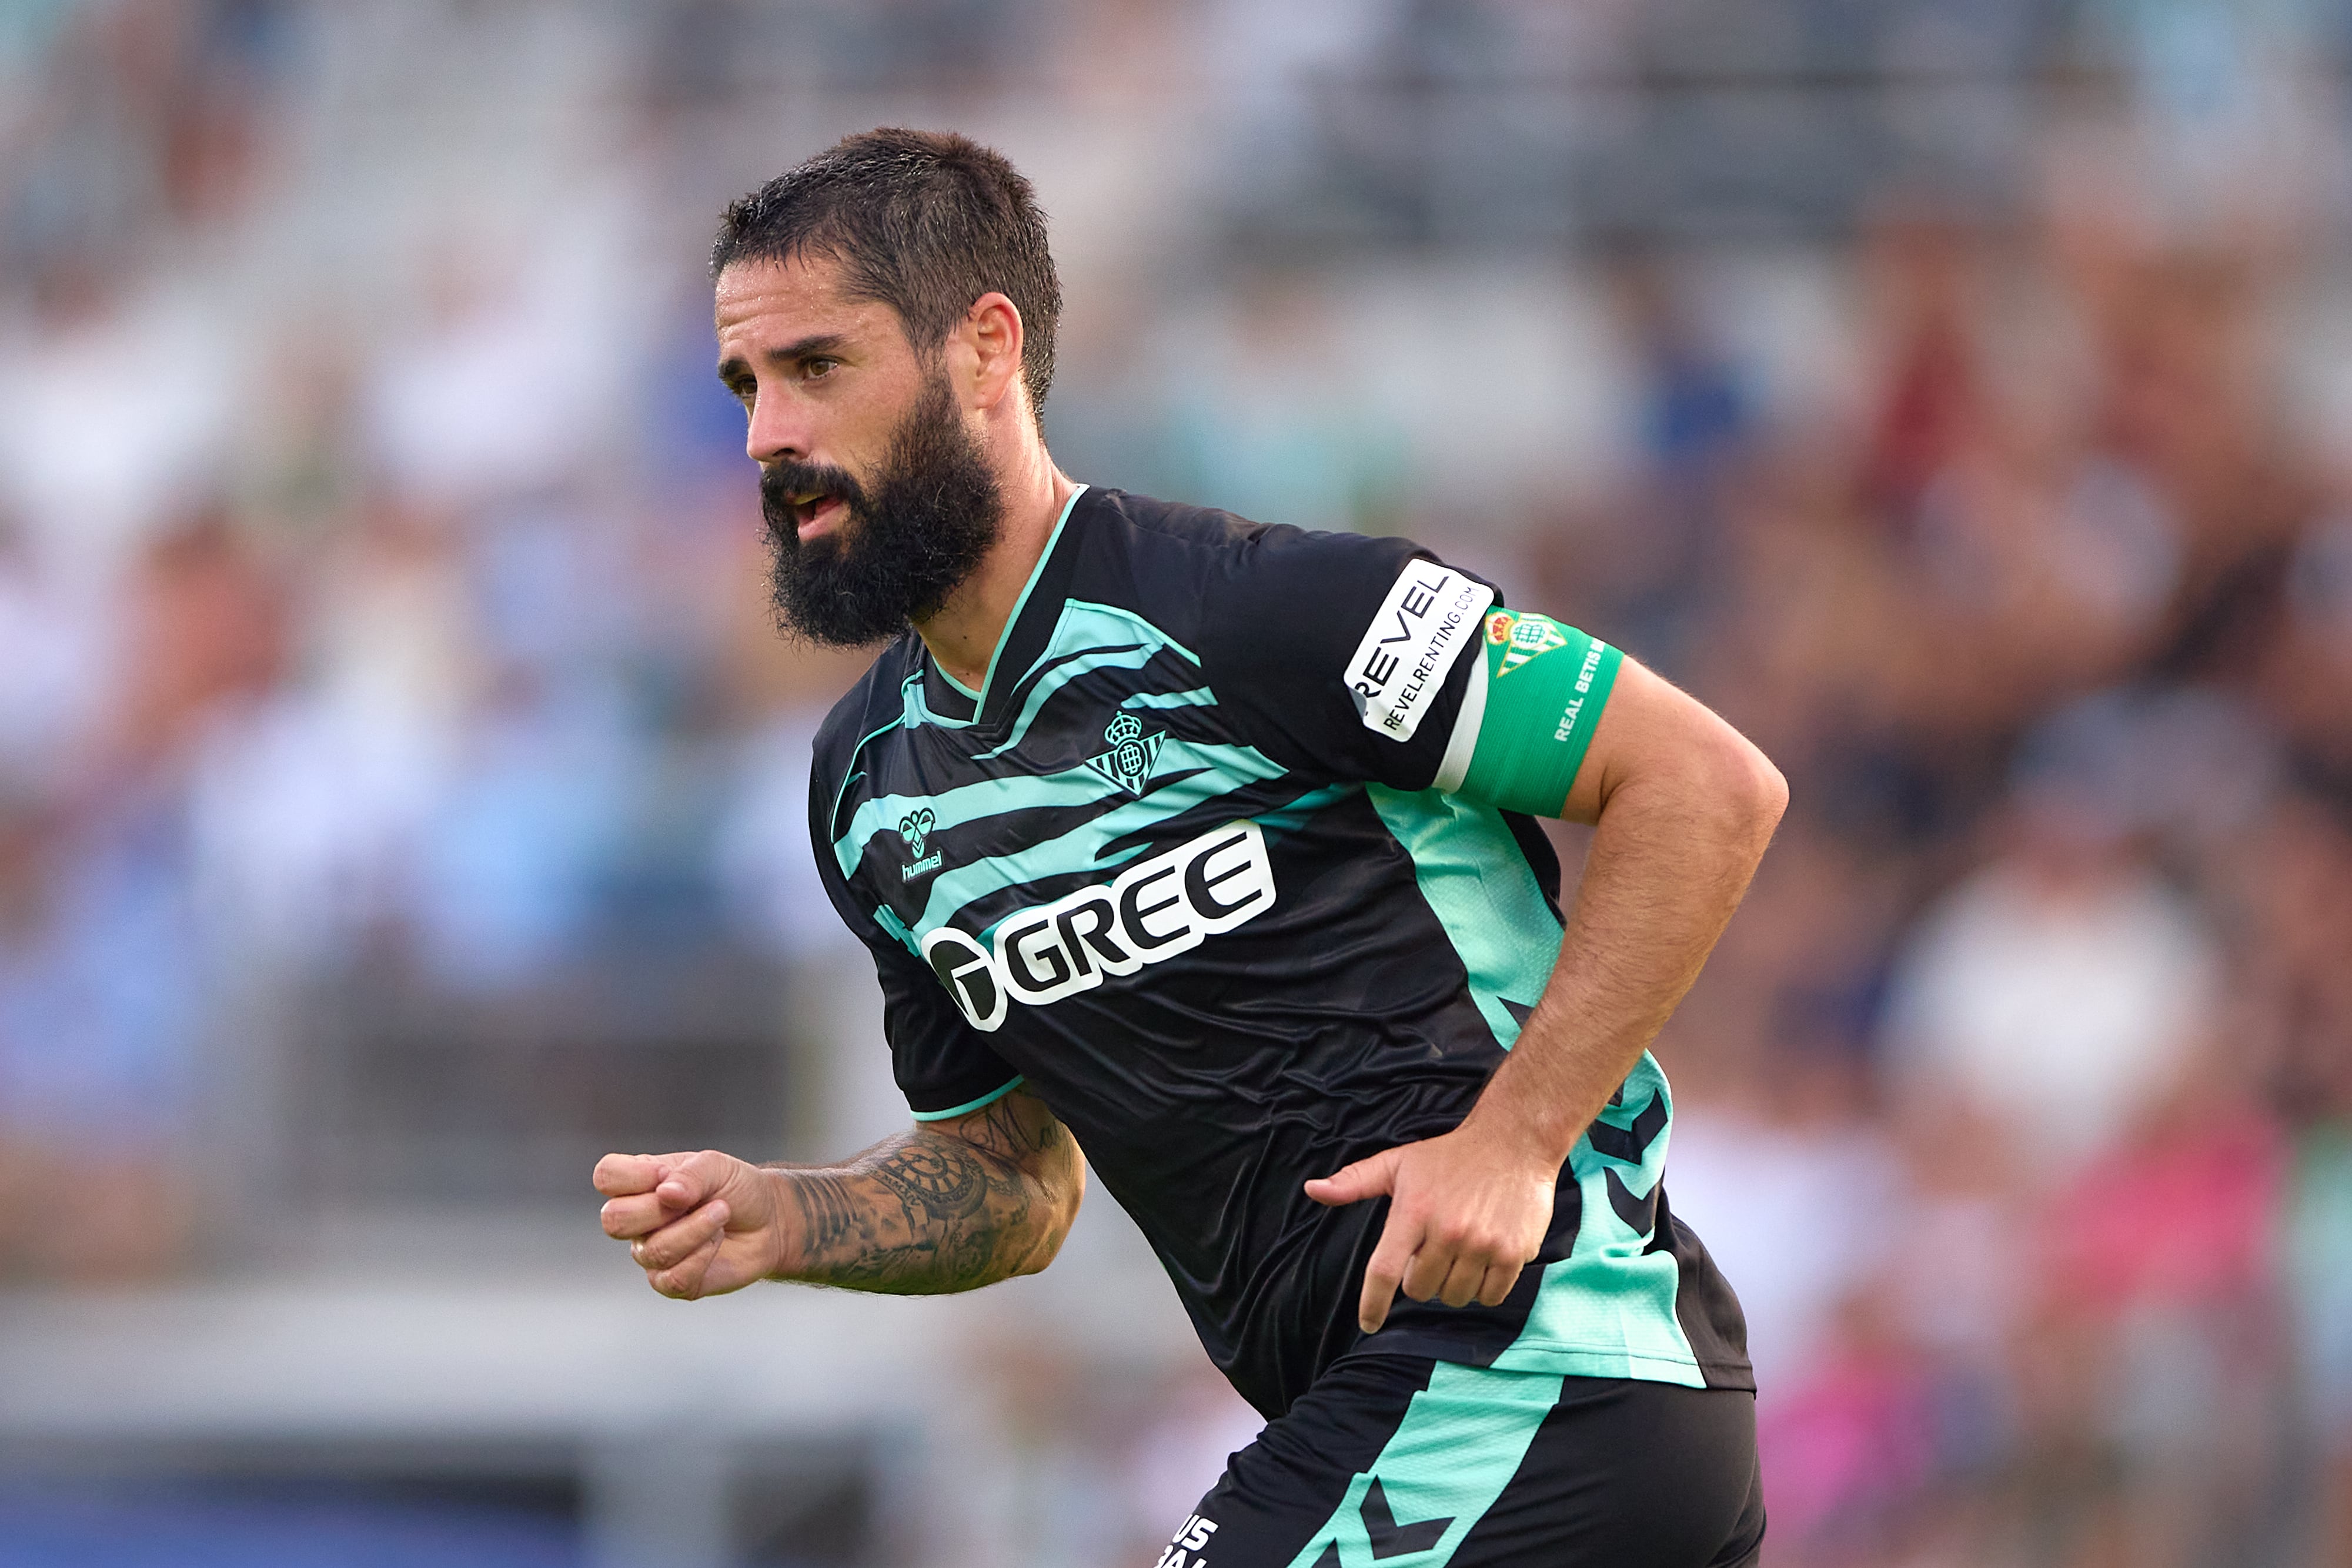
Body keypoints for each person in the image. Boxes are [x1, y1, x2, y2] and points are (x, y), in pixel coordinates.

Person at [594, 128, 1785, 1567]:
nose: (766, 435)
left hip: (1540, 1362)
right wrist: (791, 1217)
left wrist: (1516, 1139)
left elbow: (1702, 784)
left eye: (817, 367)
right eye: (745, 383)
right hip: (1390, 1413)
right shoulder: (866, 787)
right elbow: (1014, 1185)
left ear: (984, 349)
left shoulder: (1264, 611)